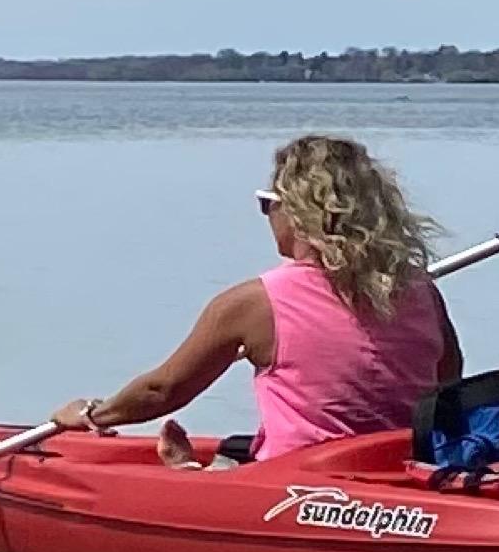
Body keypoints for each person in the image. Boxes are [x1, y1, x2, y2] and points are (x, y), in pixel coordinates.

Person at [52, 134, 461, 465]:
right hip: (398, 467)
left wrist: (91, 415)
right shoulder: (422, 292)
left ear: (297, 212)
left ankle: (191, 475)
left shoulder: (254, 303)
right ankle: (202, 470)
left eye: (268, 204)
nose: (267, 216)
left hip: (301, 479)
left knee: (234, 465)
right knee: (236, 450)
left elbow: (163, 390)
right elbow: (448, 383)